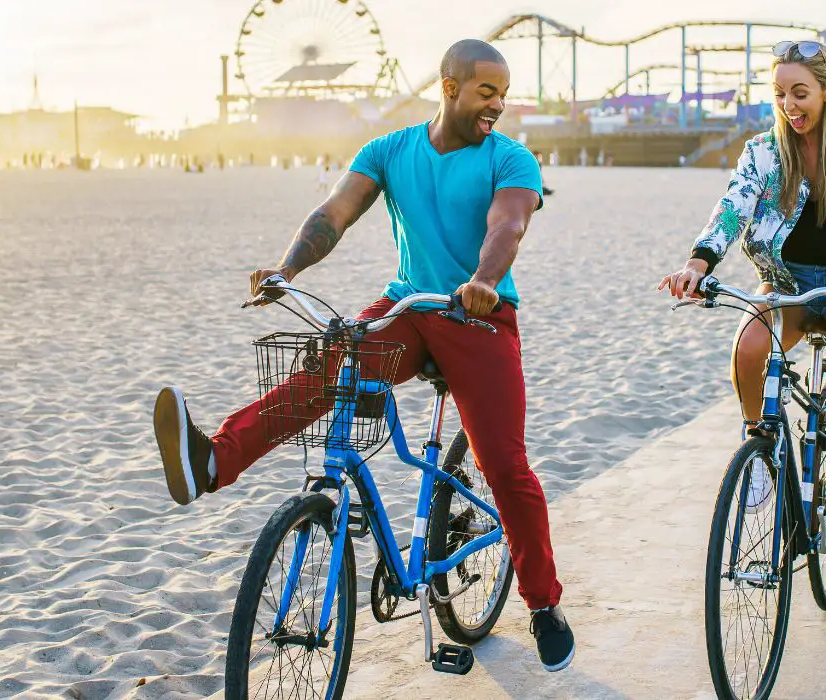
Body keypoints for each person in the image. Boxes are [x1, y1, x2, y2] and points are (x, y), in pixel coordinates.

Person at [151, 39, 575, 672]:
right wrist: (287, 269)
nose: (498, 105)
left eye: (503, 94)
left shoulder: (509, 156)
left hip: (478, 316)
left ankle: (543, 604)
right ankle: (212, 460)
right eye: (487, 92)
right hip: (408, 307)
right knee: (327, 371)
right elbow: (334, 214)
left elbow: (507, 225)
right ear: (449, 84)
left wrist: (484, 280)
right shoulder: (391, 149)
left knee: (505, 465)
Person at [658, 39, 826, 502]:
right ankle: (757, 445)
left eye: (800, 92)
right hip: (785, 281)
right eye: (779, 93)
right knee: (749, 346)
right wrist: (696, 264)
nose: (788, 105)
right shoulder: (763, 151)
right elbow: (732, 207)